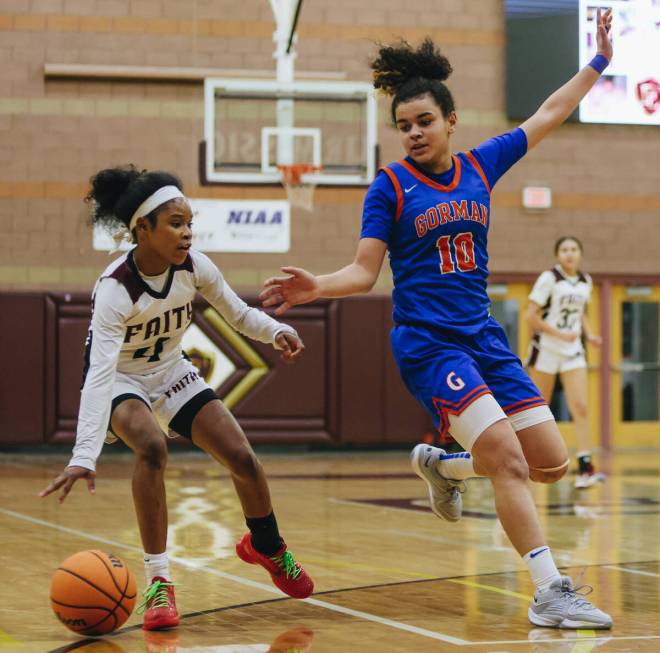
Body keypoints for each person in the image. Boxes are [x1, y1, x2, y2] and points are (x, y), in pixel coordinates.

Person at [259, 10, 615, 630]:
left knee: (551, 463)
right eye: (403, 126)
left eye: (424, 122)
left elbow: (550, 112)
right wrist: (317, 285)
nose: (414, 134)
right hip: (428, 344)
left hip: (484, 338)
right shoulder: (390, 188)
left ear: (451, 122)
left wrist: (599, 62)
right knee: (505, 459)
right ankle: (549, 591)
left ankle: (441, 465)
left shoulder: (482, 166)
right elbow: (365, 272)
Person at [39, 166, 314, 631]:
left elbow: (240, 313)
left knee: (242, 458)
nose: (187, 233)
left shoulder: (195, 266)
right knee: (151, 447)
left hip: (170, 371)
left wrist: (277, 330)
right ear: (141, 229)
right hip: (121, 381)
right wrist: (83, 454)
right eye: (175, 223)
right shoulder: (115, 288)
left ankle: (265, 545)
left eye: (189, 222)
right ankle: (159, 581)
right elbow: (99, 374)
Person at [527, 236, 605, 489]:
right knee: (537, 409)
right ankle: (523, 463)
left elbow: (581, 313)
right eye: (564, 250)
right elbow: (531, 317)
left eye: (573, 249)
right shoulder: (549, 279)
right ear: (557, 255)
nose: (569, 254)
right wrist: (560, 334)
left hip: (572, 350)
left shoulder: (586, 281)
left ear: (580, 254)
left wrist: (589, 334)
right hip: (547, 349)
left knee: (581, 407)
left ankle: (585, 467)